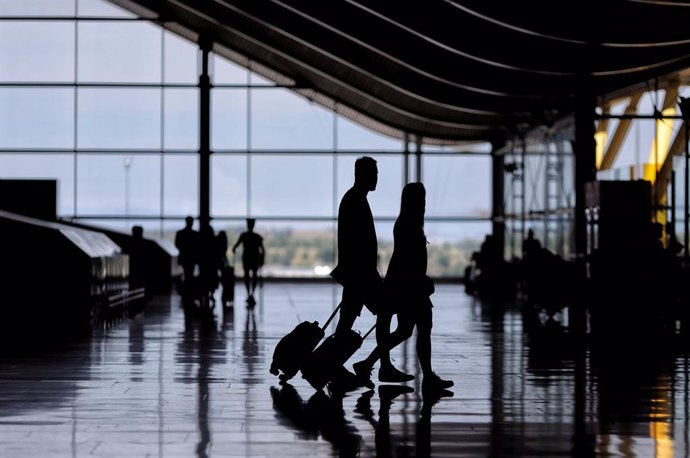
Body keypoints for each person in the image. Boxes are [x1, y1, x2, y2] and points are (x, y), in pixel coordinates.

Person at [352, 182, 454, 393]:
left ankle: (369, 364)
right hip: (412, 288)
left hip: (407, 286)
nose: (424, 203)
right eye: (421, 199)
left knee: (406, 331)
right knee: (422, 328)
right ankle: (427, 377)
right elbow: (409, 260)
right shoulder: (410, 224)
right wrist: (422, 281)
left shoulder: (406, 223)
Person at [330, 157, 382, 340]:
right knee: (384, 310)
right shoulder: (356, 201)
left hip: (357, 272)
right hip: (360, 272)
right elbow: (357, 241)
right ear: (364, 175)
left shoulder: (354, 198)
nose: (376, 178)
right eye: (374, 174)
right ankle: (380, 363)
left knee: (347, 317)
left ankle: (330, 361)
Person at [232, 218, 265, 307]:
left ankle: (250, 294)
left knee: (250, 276)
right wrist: (262, 259)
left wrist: (234, 249)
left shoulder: (245, 235)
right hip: (252, 258)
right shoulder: (255, 236)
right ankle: (251, 294)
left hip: (249, 258)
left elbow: (236, 246)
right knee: (251, 276)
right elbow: (262, 250)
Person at [175, 216, 199, 288]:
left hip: (184, 256)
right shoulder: (195, 234)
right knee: (190, 272)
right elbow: (198, 245)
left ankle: (186, 287)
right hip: (192, 257)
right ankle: (189, 287)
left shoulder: (180, 233)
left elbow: (177, 244)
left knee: (186, 271)